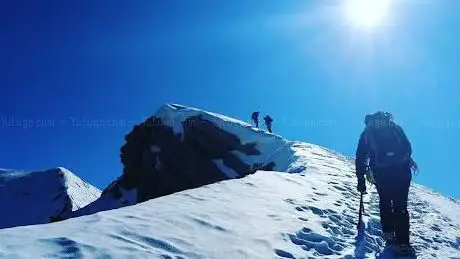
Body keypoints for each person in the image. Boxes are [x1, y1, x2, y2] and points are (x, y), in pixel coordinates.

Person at [355, 111, 415, 256]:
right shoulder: (395, 128)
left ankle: (389, 233)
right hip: (402, 173)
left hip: (382, 175)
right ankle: (403, 243)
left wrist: (361, 180)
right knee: (401, 206)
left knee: (385, 201)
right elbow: (408, 148)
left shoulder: (367, 134)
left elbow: (360, 157)